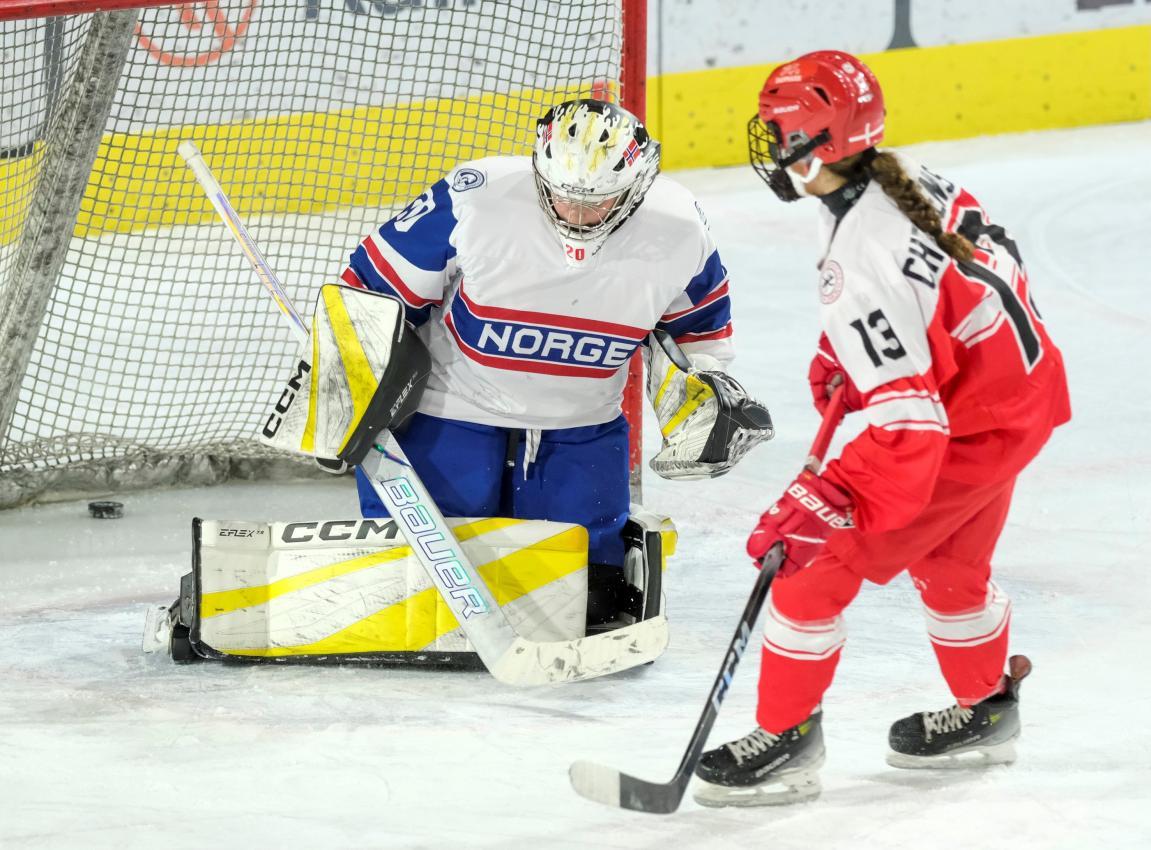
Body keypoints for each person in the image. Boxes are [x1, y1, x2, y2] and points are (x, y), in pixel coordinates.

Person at [693, 51, 1071, 807]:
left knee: (808, 572)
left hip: (962, 428)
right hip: (1018, 400)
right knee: (950, 565)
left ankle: (785, 740)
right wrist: (851, 348)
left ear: (817, 144)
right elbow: (970, 276)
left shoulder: (860, 254)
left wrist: (827, 496)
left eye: (777, 129)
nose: (766, 142)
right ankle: (984, 707)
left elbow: (909, 426)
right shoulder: (913, 178)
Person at [335, 98, 771, 632]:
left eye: (601, 201)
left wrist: (702, 390)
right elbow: (369, 290)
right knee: (409, 589)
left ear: (637, 188)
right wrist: (345, 381)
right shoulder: (480, 198)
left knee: (590, 600)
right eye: (562, 197)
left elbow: (701, 334)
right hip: (449, 412)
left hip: (579, 427)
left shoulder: (679, 229)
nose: (577, 214)